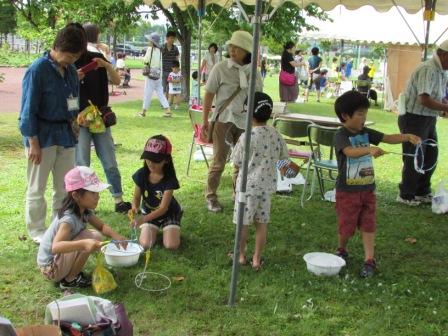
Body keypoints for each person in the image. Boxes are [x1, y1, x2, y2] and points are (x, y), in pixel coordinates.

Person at [334, 91, 420, 277]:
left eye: (365, 113)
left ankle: (369, 259)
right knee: (346, 226)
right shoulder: (341, 135)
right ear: (345, 116)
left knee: (368, 224)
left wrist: (407, 137)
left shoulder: (366, 132)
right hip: (347, 192)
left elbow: (388, 138)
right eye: (360, 114)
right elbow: (348, 152)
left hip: (367, 190)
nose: (364, 118)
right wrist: (369, 149)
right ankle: (341, 249)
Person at [19, 23, 87, 244]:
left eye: (75, 56)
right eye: (69, 55)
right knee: (37, 187)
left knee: (64, 186)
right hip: (42, 135)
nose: (71, 60)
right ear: (57, 47)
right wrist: (33, 143)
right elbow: (28, 110)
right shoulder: (38, 69)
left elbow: (73, 103)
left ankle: (60, 226)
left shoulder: (70, 73)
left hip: (66, 134)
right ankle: (37, 231)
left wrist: (77, 122)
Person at [202, 30, 263, 213]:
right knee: (219, 161)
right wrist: (205, 120)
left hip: (245, 122)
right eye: (231, 47)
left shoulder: (254, 72)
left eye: (238, 48)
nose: (233, 51)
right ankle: (211, 196)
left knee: (242, 162)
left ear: (247, 52)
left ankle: (238, 195)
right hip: (223, 120)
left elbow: (258, 97)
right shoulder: (220, 68)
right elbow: (209, 94)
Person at [37, 166, 127, 289]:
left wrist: (115, 235)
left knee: (94, 235)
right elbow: (56, 247)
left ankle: (71, 274)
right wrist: (84, 244)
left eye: (98, 192)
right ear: (76, 195)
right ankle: (69, 281)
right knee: (89, 237)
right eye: (93, 193)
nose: (98, 196)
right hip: (51, 269)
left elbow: (101, 226)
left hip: (57, 262)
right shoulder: (68, 219)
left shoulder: (84, 210)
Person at [74, 23, 132, 214]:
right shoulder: (75, 59)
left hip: (98, 117)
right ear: (97, 36)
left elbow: (116, 81)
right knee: (85, 163)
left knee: (104, 160)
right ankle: (84, 204)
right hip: (82, 118)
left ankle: (117, 199)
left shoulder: (98, 58)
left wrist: (106, 65)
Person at [232, 92, 289, 270]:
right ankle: (257, 258)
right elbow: (284, 160)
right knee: (261, 224)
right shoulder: (276, 134)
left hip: (246, 188)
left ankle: (240, 255)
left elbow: (237, 162)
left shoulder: (246, 136)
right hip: (266, 188)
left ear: (248, 113)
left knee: (242, 223)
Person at [397, 41, 448, 205]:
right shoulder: (428, 69)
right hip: (414, 118)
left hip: (428, 118)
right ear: (444, 55)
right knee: (414, 157)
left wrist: (443, 106)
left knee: (431, 155)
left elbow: (437, 97)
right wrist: (445, 107)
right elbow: (423, 98)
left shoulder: (441, 71)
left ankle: (421, 191)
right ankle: (406, 194)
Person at [131, 135, 182, 250]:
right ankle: (159, 229)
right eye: (148, 158)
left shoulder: (170, 179)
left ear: (167, 160)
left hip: (169, 213)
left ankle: (170, 227)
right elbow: (136, 197)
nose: (150, 163)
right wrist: (134, 207)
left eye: (156, 161)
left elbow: (163, 208)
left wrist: (142, 220)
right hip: (150, 214)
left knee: (171, 245)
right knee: (145, 244)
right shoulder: (141, 174)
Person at [139, 32, 172, 118]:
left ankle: (143, 112)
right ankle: (167, 110)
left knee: (147, 93)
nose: (148, 42)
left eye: (149, 40)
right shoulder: (160, 51)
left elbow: (146, 61)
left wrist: (141, 58)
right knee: (160, 93)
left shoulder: (150, 49)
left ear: (152, 41)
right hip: (158, 75)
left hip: (150, 75)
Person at [161, 31, 180, 97]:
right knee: (163, 87)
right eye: (171, 38)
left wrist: (177, 69)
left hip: (172, 72)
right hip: (163, 70)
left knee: (169, 88)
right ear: (167, 38)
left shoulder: (175, 48)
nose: (172, 40)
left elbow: (177, 59)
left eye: (173, 38)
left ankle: (166, 102)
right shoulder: (162, 47)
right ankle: (163, 102)